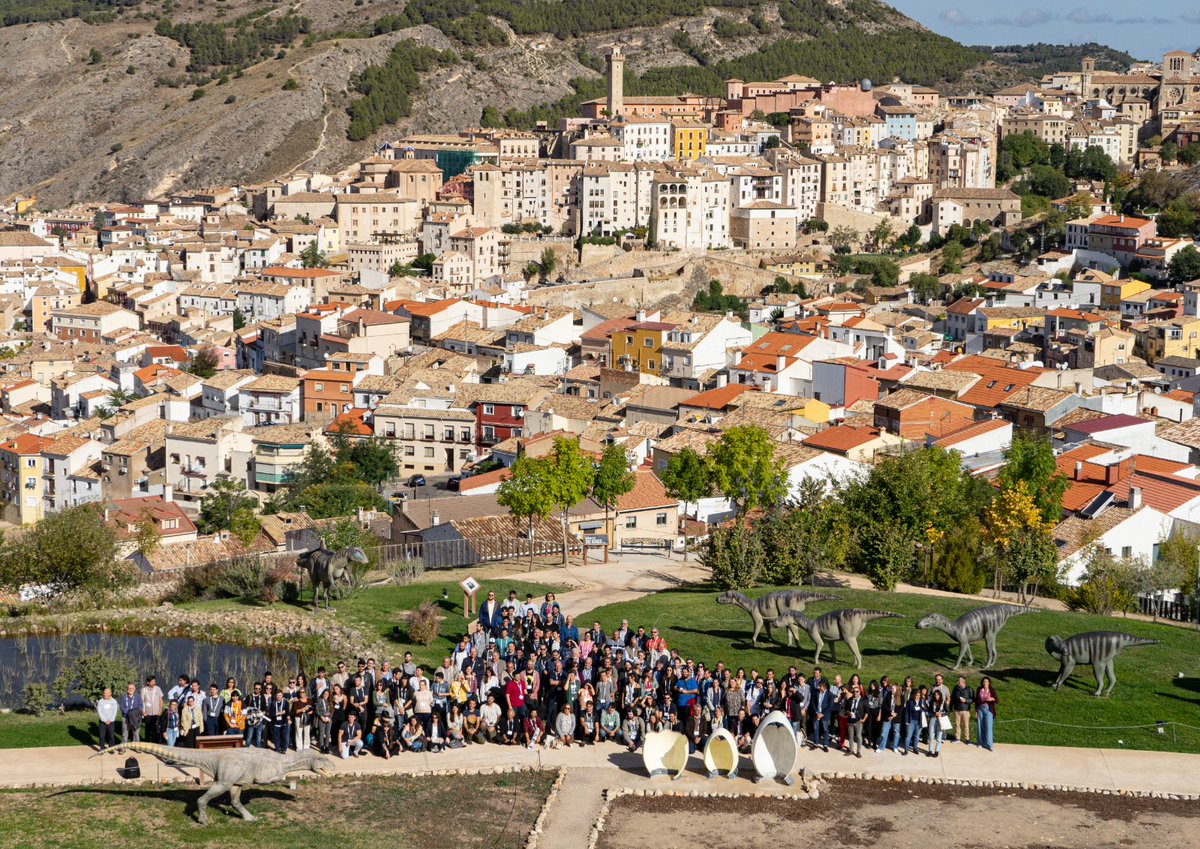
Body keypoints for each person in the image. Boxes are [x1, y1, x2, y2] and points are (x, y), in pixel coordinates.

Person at [975, 676, 998, 751]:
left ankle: (989, 745)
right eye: (984, 682)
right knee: (980, 726)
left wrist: (992, 698)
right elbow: (976, 701)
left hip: (989, 709)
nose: (985, 683)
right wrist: (976, 711)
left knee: (988, 727)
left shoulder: (992, 690)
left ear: (989, 683)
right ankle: (980, 743)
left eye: (986, 682)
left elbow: (997, 700)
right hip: (980, 709)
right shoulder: (979, 689)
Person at [844, 684, 866, 758]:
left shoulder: (863, 700)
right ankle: (850, 750)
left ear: (859, 692)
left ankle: (858, 751)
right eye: (854, 692)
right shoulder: (849, 700)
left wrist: (864, 719)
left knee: (859, 737)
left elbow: (867, 712)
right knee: (850, 737)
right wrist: (848, 713)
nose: (855, 693)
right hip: (850, 721)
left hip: (858, 722)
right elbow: (846, 709)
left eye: (857, 691)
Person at [951, 676, 973, 744]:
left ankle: (967, 739)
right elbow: (952, 698)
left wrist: (965, 700)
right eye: (958, 680)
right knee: (957, 725)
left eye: (959, 681)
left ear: (963, 682)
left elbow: (972, 700)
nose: (958, 682)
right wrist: (951, 707)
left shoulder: (969, 689)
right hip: (957, 709)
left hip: (965, 710)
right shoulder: (955, 688)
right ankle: (957, 738)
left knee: (966, 725)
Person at [140, 676, 163, 743]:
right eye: (152, 682)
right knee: (148, 729)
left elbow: (160, 700)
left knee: (156, 729)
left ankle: (155, 743)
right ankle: (147, 742)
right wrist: (143, 712)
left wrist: (160, 710)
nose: (154, 683)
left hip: (156, 713)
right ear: (148, 682)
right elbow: (142, 701)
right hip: (147, 713)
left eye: (154, 681)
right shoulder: (143, 690)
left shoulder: (157, 688)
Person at [811, 680, 831, 752]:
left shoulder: (829, 694)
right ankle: (815, 743)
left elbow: (830, 706)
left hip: (825, 715)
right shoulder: (816, 692)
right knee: (815, 728)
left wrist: (822, 714)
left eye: (820, 686)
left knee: (825, 729)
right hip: (816, 714)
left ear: (824, 687)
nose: (819, 687)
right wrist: (816, 712)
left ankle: (825, 745)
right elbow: (812, 702)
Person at [927, 689, 947, 757]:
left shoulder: (943, 702)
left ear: (940, 695)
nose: (936, 696)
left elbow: (948, 712)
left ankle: (937, 751)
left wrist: (941, 714)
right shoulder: (932, 702)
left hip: (940, 720)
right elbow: (928, 712)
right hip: (933, 719)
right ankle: (930, 750)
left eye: (937, 695)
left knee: (939, 736)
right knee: (931, 735)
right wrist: (934, 713)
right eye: (935, 695)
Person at [315, 689, 333, 754]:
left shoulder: (330, 701)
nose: (326, 695)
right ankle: (322, 747)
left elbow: (332, 710)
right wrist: (321, 717)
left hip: (329, 719)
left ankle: (327, 747)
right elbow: (317, 710)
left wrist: (330, 718)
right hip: (321, 718)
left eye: (327, 694)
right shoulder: (319, 700)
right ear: (323, 694)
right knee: (322, 733)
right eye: (324, 694)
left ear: (329, 695)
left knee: (328, 734)